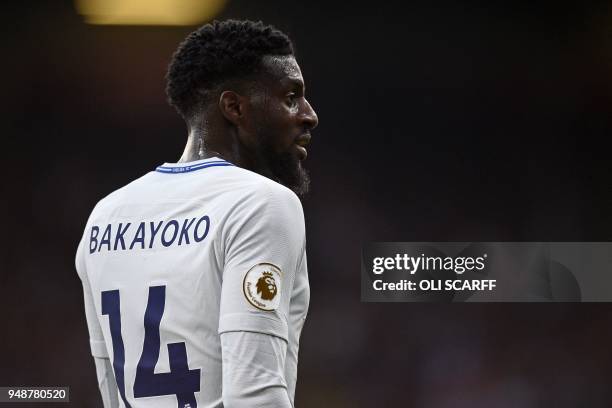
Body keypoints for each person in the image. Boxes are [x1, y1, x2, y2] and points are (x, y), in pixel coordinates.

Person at [75, 19, 318, 408]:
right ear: (234, 107)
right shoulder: (260, 203)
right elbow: (252, 396)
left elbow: (111, 391)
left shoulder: (105, 216)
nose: (308, 115)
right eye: (291, 96)